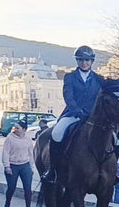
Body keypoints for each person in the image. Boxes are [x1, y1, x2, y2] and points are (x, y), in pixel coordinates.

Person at [43, 45, 102, 183]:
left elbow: (100, 97)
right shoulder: (70, 77)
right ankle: (53, 169)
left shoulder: (98, 79)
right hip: (73, 114)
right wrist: (77, 112)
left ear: (92, 61)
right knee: (56, 133)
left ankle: (111, 170)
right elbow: (68, 96)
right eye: (81, 60)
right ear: (77, 61)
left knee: (115, 137)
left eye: (87, 60)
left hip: (93, 116)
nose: (84, 63)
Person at [1, 120, 35, 207]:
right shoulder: (10, 138)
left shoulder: (28, 139)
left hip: (25, 165)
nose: (15, 130)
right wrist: (7, 166)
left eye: (18, 128)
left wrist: (31, 167)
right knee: (11, 187)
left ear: (24, 129)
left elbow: (31, 154)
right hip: (12, 165)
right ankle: (7, 206)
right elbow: (6, 152)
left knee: (28, 188)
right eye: (15, 127)